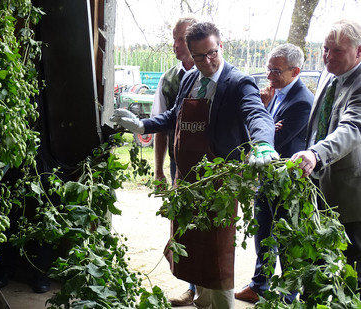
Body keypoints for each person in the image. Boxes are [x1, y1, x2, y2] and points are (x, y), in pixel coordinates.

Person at [111, 21, 277, 308]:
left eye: (212, 53)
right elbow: (173, 116)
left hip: (219, 185)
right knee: (192, 248)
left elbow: (256, 114)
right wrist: (142, 125)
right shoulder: (190, 79)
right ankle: (202, 300)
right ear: (190, 54)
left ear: (220, 46)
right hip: (188, 181)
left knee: (217, 254)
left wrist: (263, 142)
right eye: (199, 57)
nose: (208, 61)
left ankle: (223, 305)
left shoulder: (238, 83)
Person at [235, 43, 313, 304]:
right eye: (268, 70)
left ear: (295, 71)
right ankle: (260, 285)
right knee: (263, 231)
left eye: (276, 72)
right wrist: (266, 112)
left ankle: (288, 294)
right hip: (267, 176)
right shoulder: (275, 94)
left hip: (288, 181)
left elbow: (275, 142)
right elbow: (265, 129)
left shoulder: (302, 101)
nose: (269, 77)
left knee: (286, 237)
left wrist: (266, 124)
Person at [291, 19, 361, 288]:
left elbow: (351, 128)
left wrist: (316, 154)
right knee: (315, 266)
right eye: (325, 49)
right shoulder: (327, 74)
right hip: (316, 188)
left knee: (350, 274)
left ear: (359, 52)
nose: (328, 57)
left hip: (349, 197)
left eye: (337, 51)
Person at [149, 16, 198, 307]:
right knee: (185, 227)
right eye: (175, 38)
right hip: (179, 166)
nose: (175, 45)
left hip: (213, 168)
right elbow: (161, 128)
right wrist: (158, 171)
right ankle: (191, 287)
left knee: (211, 228)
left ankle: (212, 287)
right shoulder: (169, 80)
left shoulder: (221, 75)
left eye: (180, 39)